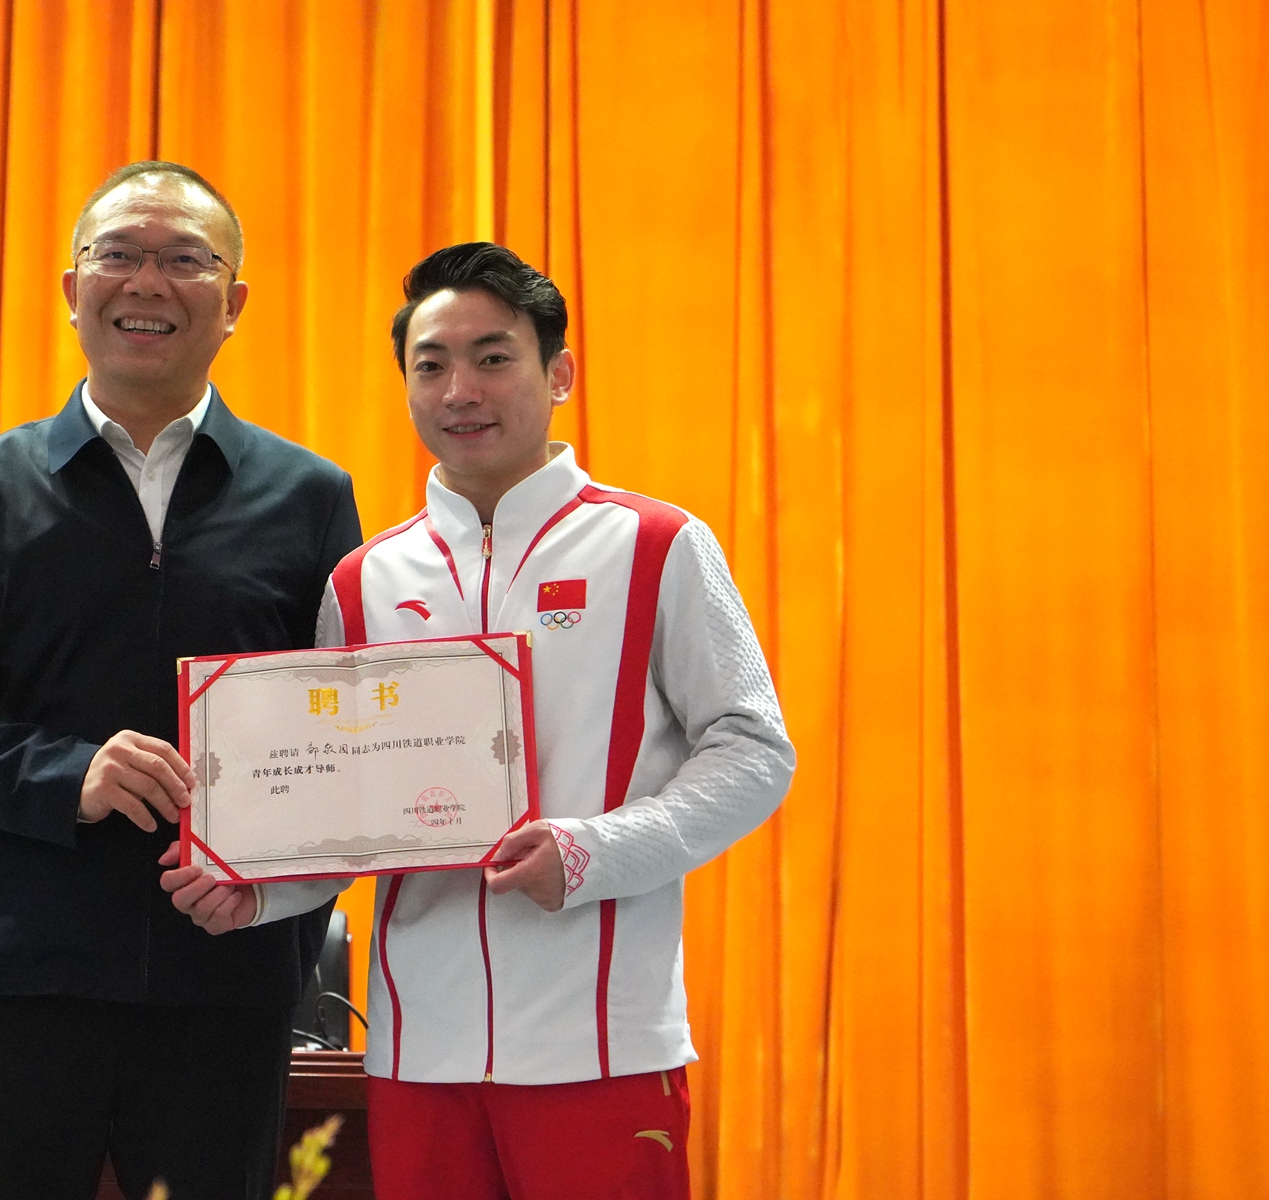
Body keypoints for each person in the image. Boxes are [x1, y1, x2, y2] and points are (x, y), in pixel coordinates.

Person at [158, 243, 794, 1199]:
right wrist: (258, 890)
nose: (461, 389)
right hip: (420, 1052)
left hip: (603, 1042)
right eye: (431, 364)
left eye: (493, 357)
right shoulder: (365, 580)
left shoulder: (656, 544)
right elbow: (348, 806)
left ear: (559, 373)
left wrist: (592, 852)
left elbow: (753, 750)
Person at [0, 161, 362, 1200]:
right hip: (20, 978)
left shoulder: (309, 495)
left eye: (185, 259)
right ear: (71, 290)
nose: (147, 283)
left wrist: (272, 881)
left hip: (225, 983)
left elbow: (341, 719)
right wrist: (69, 774)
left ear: (233, 304)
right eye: (120, 255)